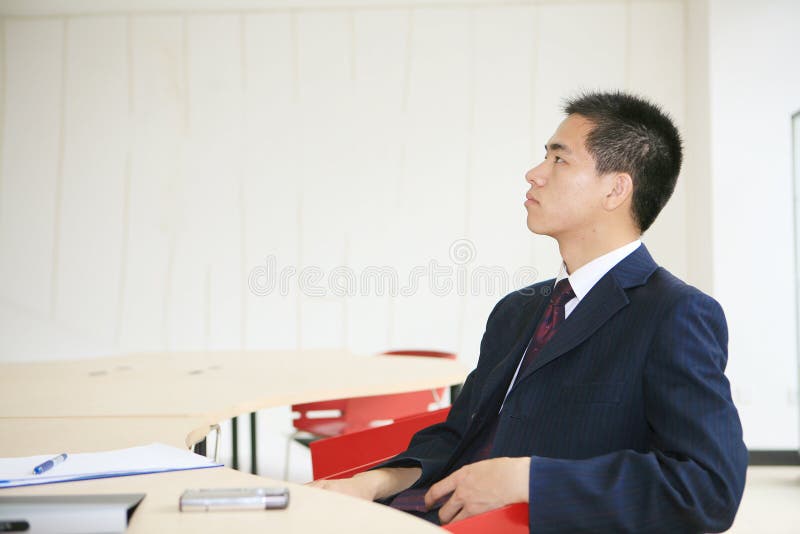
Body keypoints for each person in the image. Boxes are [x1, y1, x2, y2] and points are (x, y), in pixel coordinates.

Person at [309, 91, 747, 533]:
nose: (534, 174)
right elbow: (461, 434)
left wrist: (529, 479)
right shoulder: (517, 310)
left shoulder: (675, 313)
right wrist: (370, 483)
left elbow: (709, 488)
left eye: (559, 160)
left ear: (616, 189)